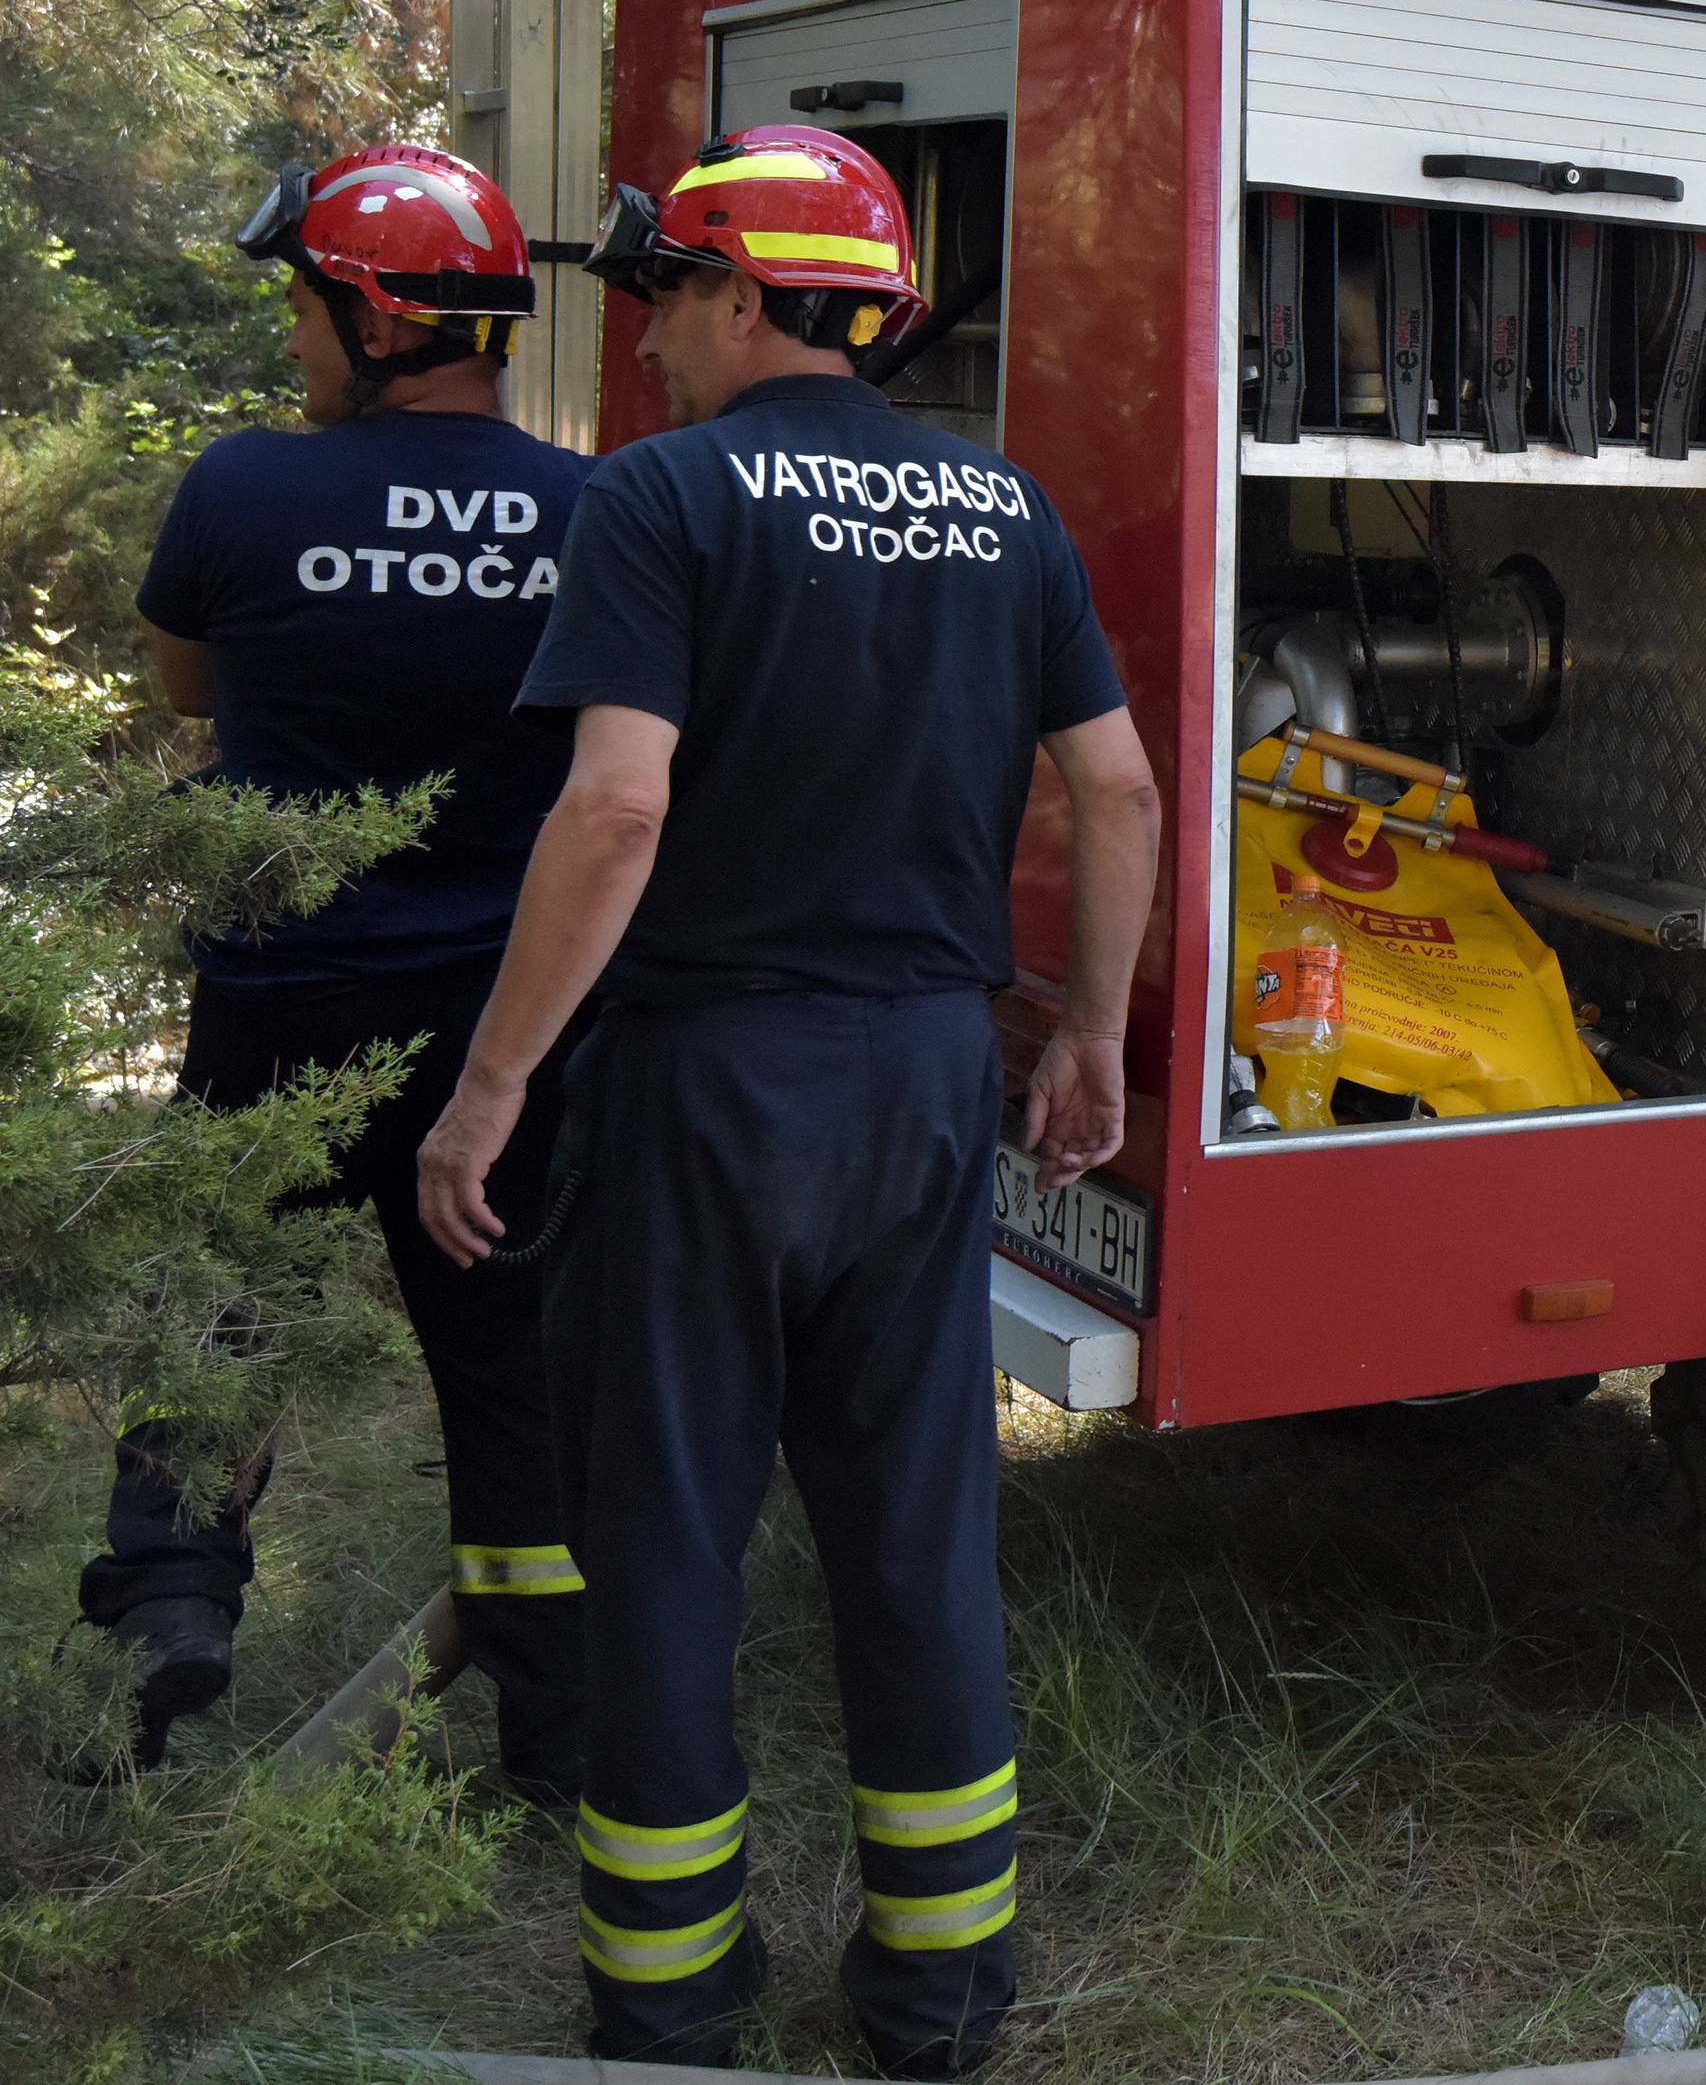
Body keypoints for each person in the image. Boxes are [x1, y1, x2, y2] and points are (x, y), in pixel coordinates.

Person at [417, 124, 1161, 2076]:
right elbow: (1122, 789)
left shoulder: (659, 503)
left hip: (703, 1082)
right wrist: (1084, 1027)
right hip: (924, 1077)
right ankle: (939, 1998)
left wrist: (488, 1086)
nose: (649, 337)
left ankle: (670, 1999)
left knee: (663, 1532)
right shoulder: (1004, 512)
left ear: (749, 298)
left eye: (669, 296)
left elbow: (619, 806)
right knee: (916, 1530)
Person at [78, 144, 594, 1799]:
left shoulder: (242, 487)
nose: (293, 340)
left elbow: (183, 691)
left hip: (278, 1011)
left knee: (221, 1317)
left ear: (372, 319)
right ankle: (556, 1724)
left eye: (304, 305)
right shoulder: (587, 513)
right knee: (516, 1378)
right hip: (498, 1037)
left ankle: (168, 1603)